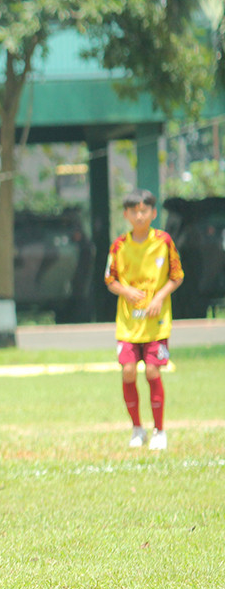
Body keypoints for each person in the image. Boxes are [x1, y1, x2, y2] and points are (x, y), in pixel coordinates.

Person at [104, 188, 184, 450]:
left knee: (152, 370)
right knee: (128, 372)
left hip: (156, 324)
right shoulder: (119, 246)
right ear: (126, 214)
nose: (140, 215)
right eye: (134, 211)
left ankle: (160, 430)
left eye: (144, 210)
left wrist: (159, 297)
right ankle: (137, 428)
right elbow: (109, 279)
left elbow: (177, 276)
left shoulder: (163, 241)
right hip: (128, 324)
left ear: (153, 212)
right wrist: (125, 290)